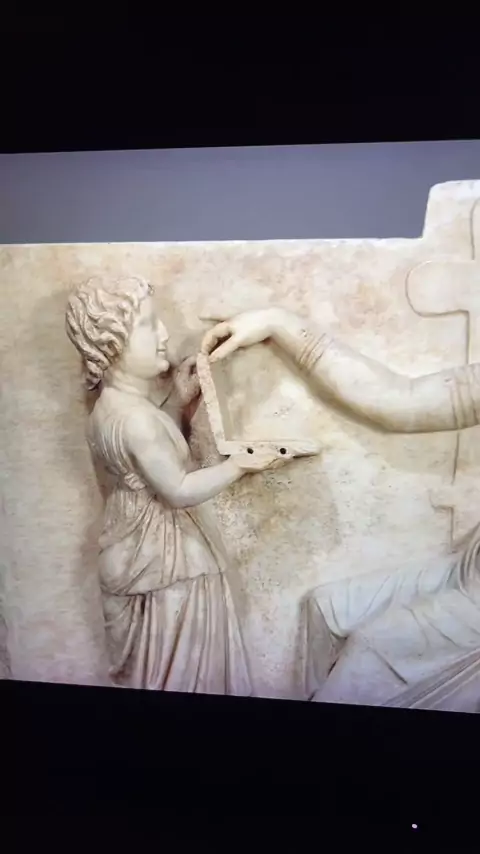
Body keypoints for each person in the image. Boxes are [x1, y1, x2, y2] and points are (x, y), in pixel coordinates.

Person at [201, 307, 480, 710]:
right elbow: (397, 401)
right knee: (328, 609)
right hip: (469, 571)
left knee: (371, 651)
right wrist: (280, 323)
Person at [65, 277, 288, 695]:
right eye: (149, 325)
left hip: (131, 547)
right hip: (163, 561)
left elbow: (149, 455)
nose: (164, 333)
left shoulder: (112, 410)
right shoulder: (135, 420)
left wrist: (176, 401)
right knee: (183, 674)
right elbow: (178, 489)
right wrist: (240, 464)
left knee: (159, 671)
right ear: (112, 344)